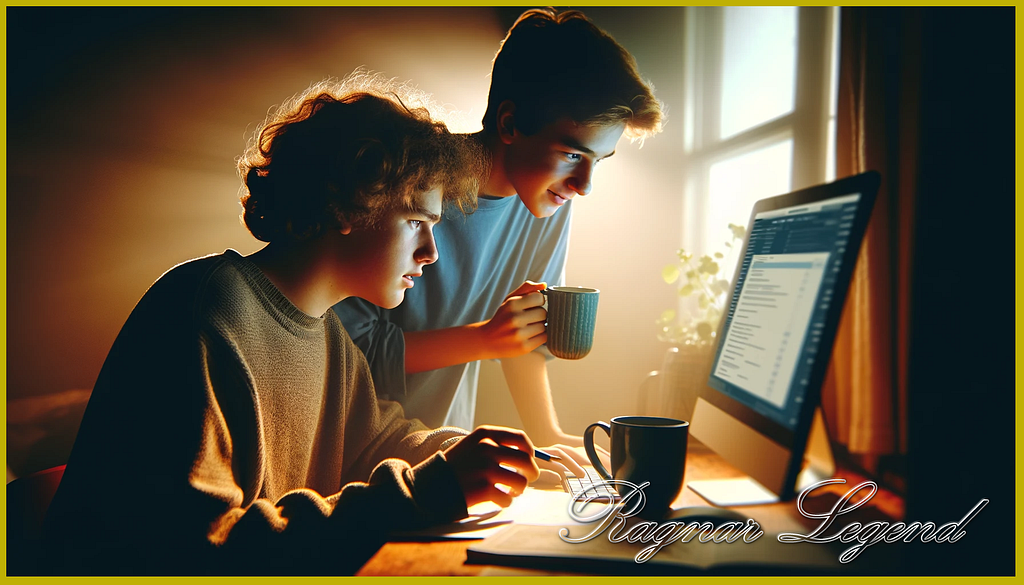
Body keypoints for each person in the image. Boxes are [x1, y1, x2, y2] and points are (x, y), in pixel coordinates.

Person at [41, 77, 583, 576]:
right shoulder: (207, 309)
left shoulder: (328, 337)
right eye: (417, 221)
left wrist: (483, 458)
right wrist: (428, 489)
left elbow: (380, 443)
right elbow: (199, 545)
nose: (429, 253)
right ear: (351, 203)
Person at [334, 9, 665, 447]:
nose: (584, 186)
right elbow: (345, 353)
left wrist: (545, 434)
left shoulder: (549, 203)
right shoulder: (405, 182)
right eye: (572, 155)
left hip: (447, 450)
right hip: (352, 453)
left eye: (597, 162)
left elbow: (526, 333)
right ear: (510, 124)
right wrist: (485, 339)